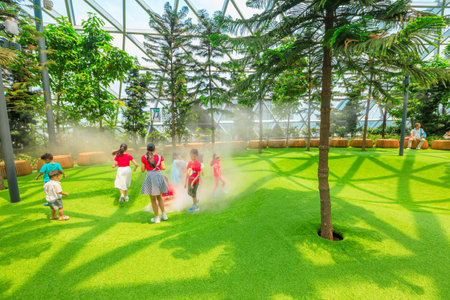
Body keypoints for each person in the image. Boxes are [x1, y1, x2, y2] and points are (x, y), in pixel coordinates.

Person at [140, 143, 168, 223]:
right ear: (154, 149)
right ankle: (164, 215)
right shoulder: (159, 157)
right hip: (159, 176)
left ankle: (157, 218)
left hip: (150, 177)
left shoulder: (144, 157)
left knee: (153, 199)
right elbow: (163, 167)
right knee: (159, 197)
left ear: (147, 149)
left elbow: (142, 170)